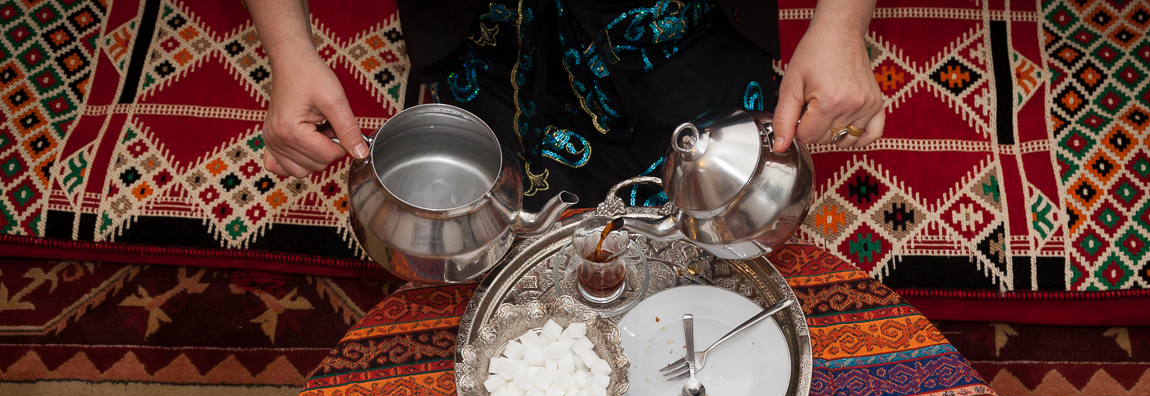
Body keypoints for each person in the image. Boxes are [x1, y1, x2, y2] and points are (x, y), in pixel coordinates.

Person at [247, 0, 884, 206]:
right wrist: (288, 49)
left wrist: (843, 22)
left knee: (722, 246)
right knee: (504, 305)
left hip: (681, 34)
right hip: (491, 50)